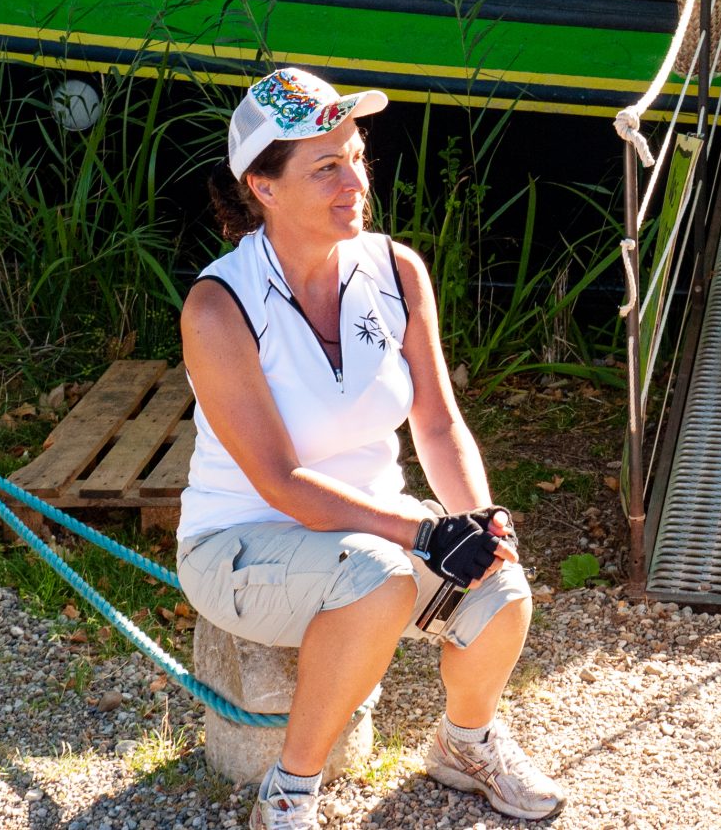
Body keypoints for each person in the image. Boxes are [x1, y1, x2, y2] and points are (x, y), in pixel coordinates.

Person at [177, 67, 565, 826]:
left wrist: (478, 518)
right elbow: (282, 480)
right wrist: (423, 532)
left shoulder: (396, 269)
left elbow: (439, 424)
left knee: (503, 588)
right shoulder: (219, 304)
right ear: (263, 185)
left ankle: (464, 742)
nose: (353, 179)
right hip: (240, 546)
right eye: (326, 166)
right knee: (382, 578)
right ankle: (289, 791)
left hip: (369, 535)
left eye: (357, 157)